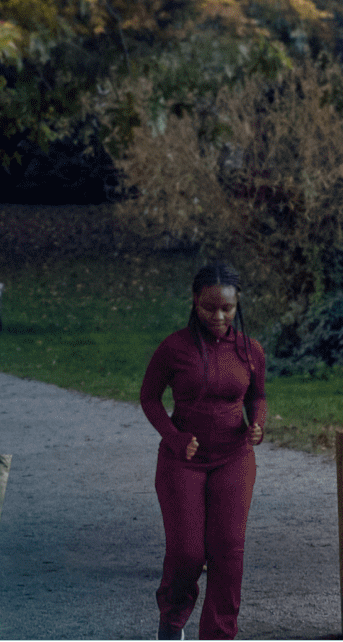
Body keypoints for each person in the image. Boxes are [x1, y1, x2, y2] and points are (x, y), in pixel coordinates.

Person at [138, 262, 268, 640]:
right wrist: (176, 437)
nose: (219, 316)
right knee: (188, 554)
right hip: (184, 461)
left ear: (237, 303)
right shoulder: (174, 348)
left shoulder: (249, 350)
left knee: (228, 552)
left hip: (235, 456)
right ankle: (173, 621)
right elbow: (149, 398)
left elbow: (258, 395)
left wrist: (258, 421)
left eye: (226, 308)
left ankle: (219, 634)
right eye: (210, 307)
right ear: (195, 302)